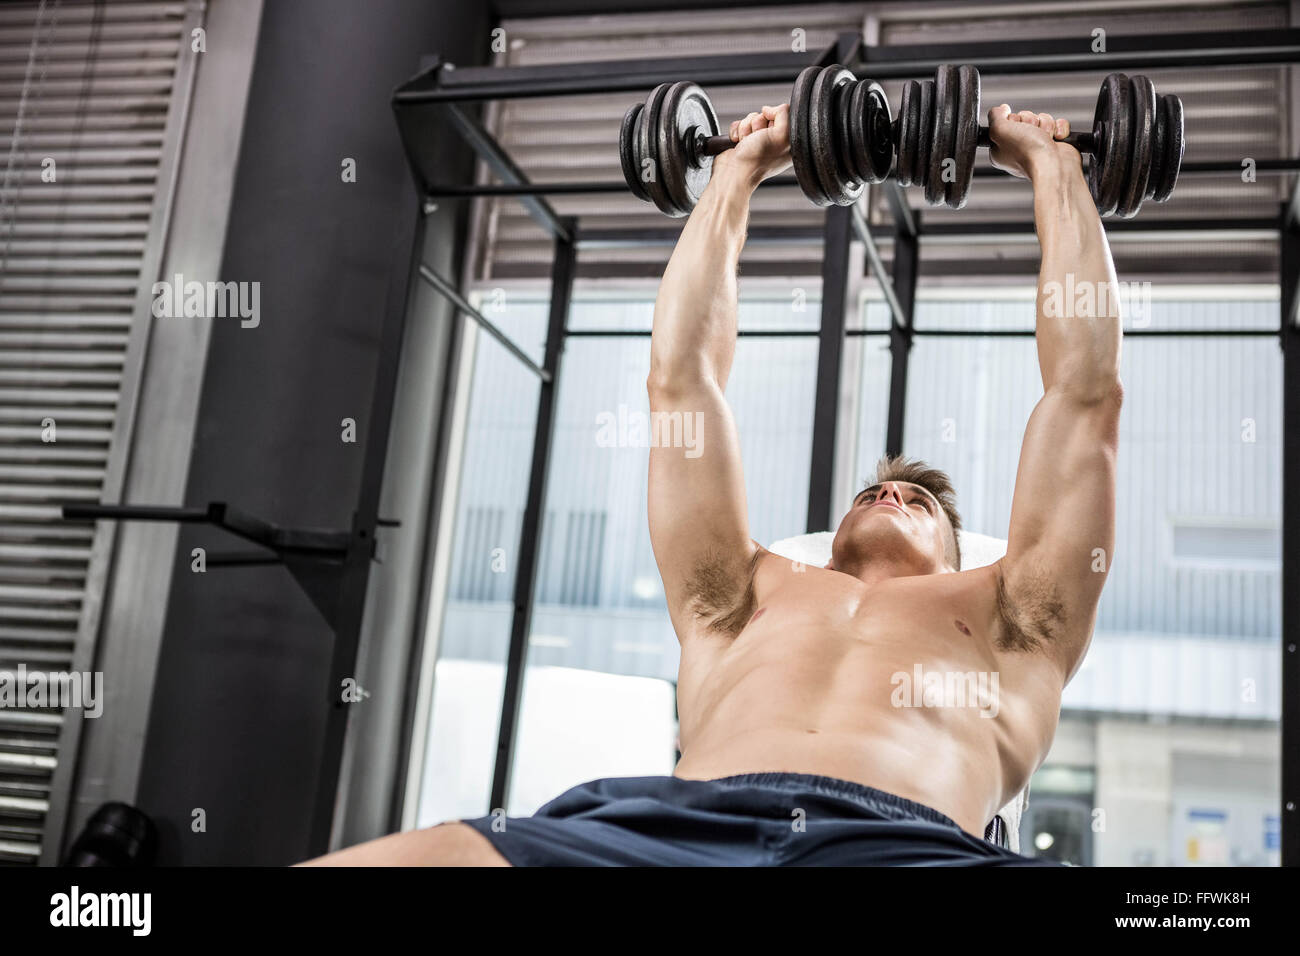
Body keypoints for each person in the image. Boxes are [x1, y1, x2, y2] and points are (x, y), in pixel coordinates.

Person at [303, 100, 1121, 867]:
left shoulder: (1017, 614)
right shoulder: (739, 593)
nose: (890, 496)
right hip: (675, 829)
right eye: (874, 491)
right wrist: (739, 168)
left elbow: (1083, 396)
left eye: (918, 502)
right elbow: (681, 379)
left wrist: (1054, 169)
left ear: (958, 553)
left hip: (908, 842)